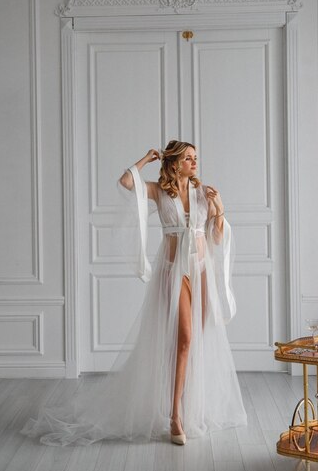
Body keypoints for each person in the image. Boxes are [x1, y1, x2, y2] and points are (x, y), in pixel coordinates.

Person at [21, 140, 246, 446]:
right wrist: (145, 159)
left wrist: (219, 210)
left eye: (196, 158)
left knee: (198, 339)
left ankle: (190, 403)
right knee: (184, 339)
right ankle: (174, 415)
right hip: (173, 270)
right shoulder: (158, 190)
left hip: (201, 271)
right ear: (175, 162)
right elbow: (126, 183)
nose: (195, 162)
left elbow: (218, 237)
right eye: (189, 158)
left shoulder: (205, 192)